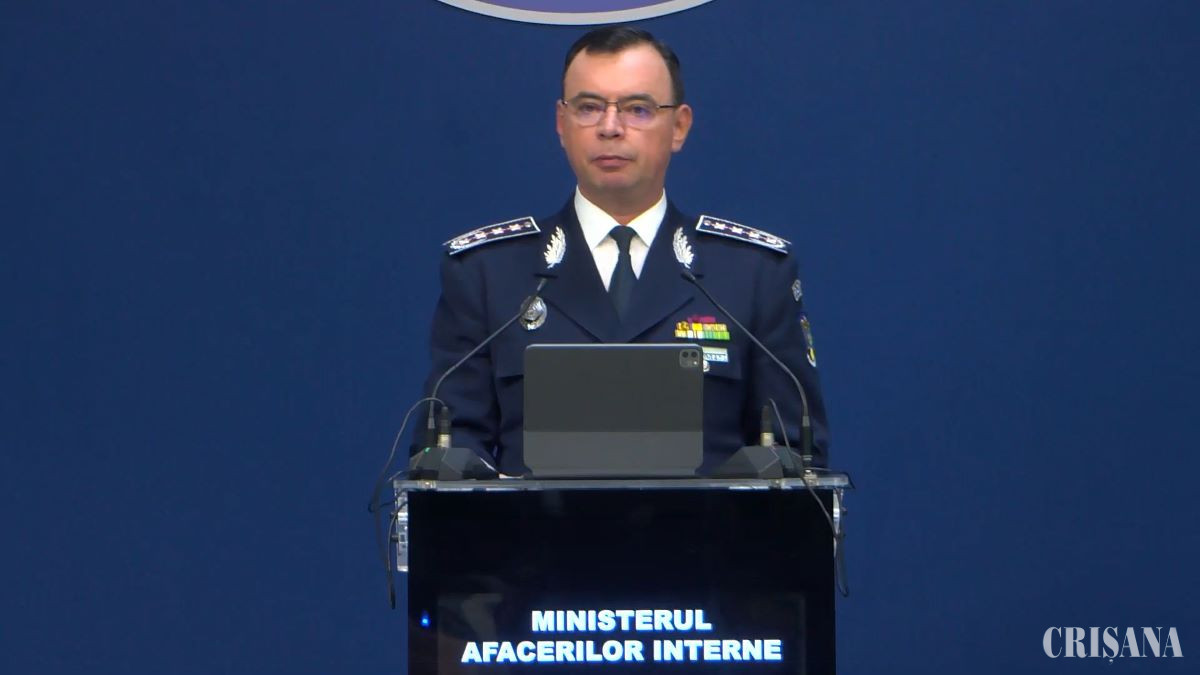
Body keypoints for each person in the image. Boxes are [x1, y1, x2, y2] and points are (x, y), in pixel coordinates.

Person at [418, 26, 829, 476]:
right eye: (589, 108)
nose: (610, 128)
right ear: (561, 124)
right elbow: (450, 454)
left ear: (679, 126)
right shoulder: (488, 272)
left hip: (704, 525)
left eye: (638, 109)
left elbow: (793, 459)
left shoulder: (751, 274)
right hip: (537, 524)